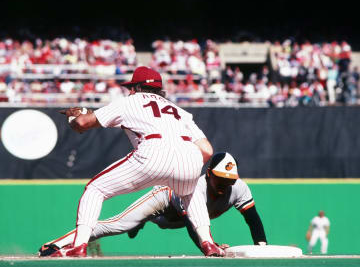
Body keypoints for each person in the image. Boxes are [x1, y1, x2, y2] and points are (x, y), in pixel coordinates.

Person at [50, 66, 224, 257]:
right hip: (190, 154)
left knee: (95, 189)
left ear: (137, 88)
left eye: (131, 87)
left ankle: (78, 246)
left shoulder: (129, 101)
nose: (129, 91)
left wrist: (74, 118)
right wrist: (184, 169)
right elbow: (207, 150)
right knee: (190, 193)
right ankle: (208, 243)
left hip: (153, 150)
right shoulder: (179, 111)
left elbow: (83, 124)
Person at [38, 152, 267, 256]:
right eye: (220, 179)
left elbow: (252, 218)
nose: (224, 184)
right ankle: (57, 244)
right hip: (165, 200)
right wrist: (209, 247)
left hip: (175, 219)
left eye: (229, 180)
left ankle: (142, 222)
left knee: (162, 223)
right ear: (208, 174)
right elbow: (193, 224)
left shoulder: (239, 188)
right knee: (119, 225)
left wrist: (262, 247)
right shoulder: (196, 186)